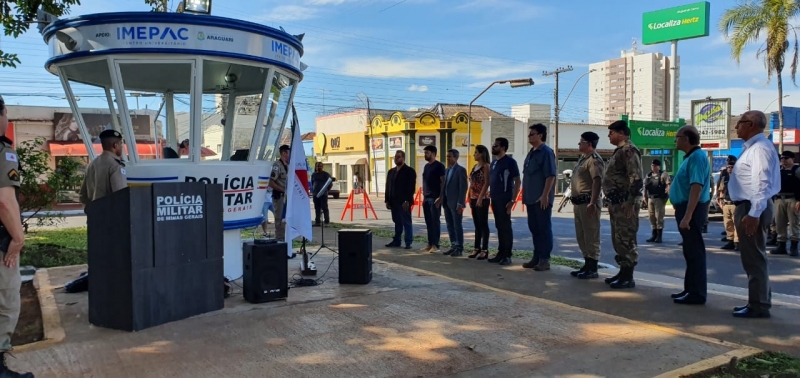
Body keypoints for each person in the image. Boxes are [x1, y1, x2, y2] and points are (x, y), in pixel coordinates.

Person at [728, 110, 780, 318]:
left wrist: (754, 213)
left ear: (751, 124)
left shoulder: (759, 149)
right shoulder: (754, 147)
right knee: (752, 258)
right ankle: (757, 301)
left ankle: (758, 305)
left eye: (739, 123)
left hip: (752, 206)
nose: (736, 127)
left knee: (754, 258)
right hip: (750, 206)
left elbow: (762, 182)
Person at [0, 96, 34, 378]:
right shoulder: (4, 152)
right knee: (6, 302)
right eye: (6, 113)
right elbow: (4, 202)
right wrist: (18, 239)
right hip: (1, 246)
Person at [671, 126, 711, 305]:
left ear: (686, 139)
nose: (675, 141)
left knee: (694, 252)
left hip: (691, 210)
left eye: (677, 137)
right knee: (689, 251)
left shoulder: (697, 157)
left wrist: (687, 216)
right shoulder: (691, 157)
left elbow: (696, 187)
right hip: (685, 208)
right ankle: (690, 289)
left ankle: (697, 293)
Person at [602, 120, 643, 289]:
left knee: (626, 238)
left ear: (621, 133)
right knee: (618, 238)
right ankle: (622, 272)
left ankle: (628, 277)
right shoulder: (619, 151)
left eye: (611, 133)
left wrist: (629, 202)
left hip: (626, 202)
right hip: (616, 201)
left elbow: (636, 178)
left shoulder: (628, 150)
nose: (609, 136)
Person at [521, 123, 557, 271]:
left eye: (532, 134)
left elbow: (550, 176)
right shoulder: (531, 153)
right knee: (534, 228)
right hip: (530, 198)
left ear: (540, 135)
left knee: (544, 229)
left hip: (540, 199)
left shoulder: (546, 152)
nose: (529, 136)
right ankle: (536, 257)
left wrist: (545, 196)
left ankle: (544, 259)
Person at [569, 131, 605, 279]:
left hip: (588, 202)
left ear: (589, 144)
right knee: (581, 235)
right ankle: (586, 263)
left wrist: (592, 202)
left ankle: (593, 267)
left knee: (591, 235)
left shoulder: (594, 160)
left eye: (581, 141)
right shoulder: (583, 160)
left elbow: (597, 181)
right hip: (579, 203)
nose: (579, 144)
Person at [488, 138, 520, 266]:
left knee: (506, 227)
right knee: (499, 227)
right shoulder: (494, 163)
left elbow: (517, 181)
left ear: (502, 147)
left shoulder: (510, 162)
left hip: (505, 199)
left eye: (495, 146)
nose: (493, 147)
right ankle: (500, 253)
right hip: (495, 199)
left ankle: (507, 255)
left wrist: (513, 200)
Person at [79, 129, 128, 209]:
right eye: (121, 144)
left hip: (94, 216)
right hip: (109, 216)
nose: (122, 147)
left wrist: (91, 211)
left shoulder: (91, 165)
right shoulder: (115, 166)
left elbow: (83, 195)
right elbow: (120, 196)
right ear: (115, 145)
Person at [384, 150, 416, 249]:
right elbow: (388, 186)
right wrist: (387, 200)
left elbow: (411, 187)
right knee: (397, 222)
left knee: (406, 222)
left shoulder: (409, 171)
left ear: (403, 158)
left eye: (398, 157)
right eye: (395, 157)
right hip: (393, 201)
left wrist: (407, 200)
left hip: (404, 202)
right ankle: (397, 240)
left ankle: (408, 242)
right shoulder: (391, 172)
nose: (396, 159)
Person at [439, 149, 468, 257]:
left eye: (450, 157)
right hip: (446, 202)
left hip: (456, 203)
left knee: (457, 225)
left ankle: (459, 248)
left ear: (456, 158)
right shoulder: (447, 170)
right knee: (449, 225)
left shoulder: (460, 170)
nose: (448, 159)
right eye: (447, 157)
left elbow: (463, 187)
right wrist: (440, 198)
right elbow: (444, 186)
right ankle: (453, 245)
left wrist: (461, 202)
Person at [771, 150, 800, 256]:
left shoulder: (797, 170)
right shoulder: (778, 170)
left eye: (786, 158)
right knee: (779, 223)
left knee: (794, 224)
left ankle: (794, 247)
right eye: (782, 158)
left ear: (792, 159)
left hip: (793, 199)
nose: (784, 160)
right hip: (779, 199)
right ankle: (781, 245)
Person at [468, 145, 491, 260]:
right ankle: (476, 248)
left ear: (482, 154)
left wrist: (480, 197)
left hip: (482, 198)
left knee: (483, 224)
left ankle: (485, 249)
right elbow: (471, 182)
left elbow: (487, 183)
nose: (474, 154)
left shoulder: (486, 166)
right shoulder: (474, 167)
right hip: (473, 198)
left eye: (476, 152)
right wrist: (469, 195)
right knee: (477, 224)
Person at [421, 145, 445, 253]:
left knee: (435, 222)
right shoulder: (426, 166)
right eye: (425, 153)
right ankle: (430, 243)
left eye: (427, 153)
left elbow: (443, 182)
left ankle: (436, 245)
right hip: (426, 198)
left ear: (433, 154)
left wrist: (440, 197)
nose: (425, 155)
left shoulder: (439, 166)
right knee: (428, 222)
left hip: (434, 198)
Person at [644, 159, 671, 243]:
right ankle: (654, 235)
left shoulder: (663, 175)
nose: (653, 167)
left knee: (659, 217)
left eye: (655, 166)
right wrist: (644, 196)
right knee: (651, 217)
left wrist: (667, 194)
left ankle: (659, 236)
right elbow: (645, 186)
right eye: (652, 166)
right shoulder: (648, 175)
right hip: (650, 198)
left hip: (659, 198)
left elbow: (668, 184)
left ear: (659, 166)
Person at [269, 145, 290, 242]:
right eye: (289, 152)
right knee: (280, 220)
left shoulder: (288, 165)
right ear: (284, 153)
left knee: (287, 221)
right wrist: (282, 190)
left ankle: (286, 242)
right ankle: (280, 241)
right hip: (280, 197)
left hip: (287, 197)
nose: (290, 155)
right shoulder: (277, 166)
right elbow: (271, 182)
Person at [718, 157, 739, 251]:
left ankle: (737, 242)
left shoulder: (739, 178)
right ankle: (730, 240)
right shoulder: (725, 178)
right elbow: (721, 190)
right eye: (729, 167)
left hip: (736, 204)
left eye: (732, 166)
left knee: (737, 224)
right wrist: (721, 200)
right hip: (726, 203)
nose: (730, 168)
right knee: (728, 224)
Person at [310, 162, 332, 227]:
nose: (318, 167)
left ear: (322, 167)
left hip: (323, 194)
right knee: (317, 208)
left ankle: (326, 222)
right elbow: (312, 183)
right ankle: (317, 222)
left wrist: (326, 191)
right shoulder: (313, 175)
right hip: (315, 194)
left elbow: (330, 184)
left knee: (325, 208)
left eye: (320, 166)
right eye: (317, 166)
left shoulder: (326, 174)